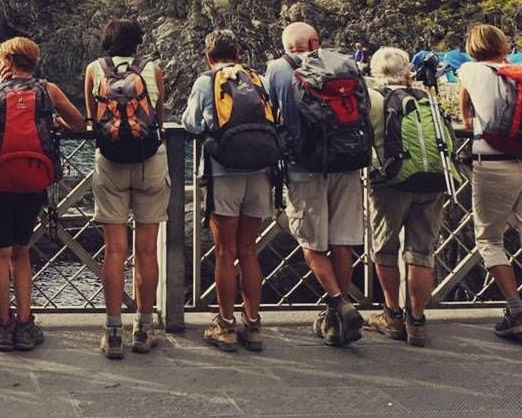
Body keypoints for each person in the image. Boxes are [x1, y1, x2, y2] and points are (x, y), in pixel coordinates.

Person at [0, 37, 86, 352]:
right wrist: (56, 122)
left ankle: (4, 327)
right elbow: (78, 123)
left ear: (8, 62)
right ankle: (25, 324)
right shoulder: (49, 91)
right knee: (21, 253)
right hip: (33, 179)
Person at [264, 22, 365, 346]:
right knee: (342, 241)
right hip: (347, 162)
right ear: (316, 42)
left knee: (311, 243)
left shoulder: (277, 70)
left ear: (287, 47)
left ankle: (338, 302)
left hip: (304, 166)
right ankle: (336, 320)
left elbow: (270, 114)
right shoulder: (344, 64)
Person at [458, 24, 522, 346]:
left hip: (494, 166)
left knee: (489, 238)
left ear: (472, 48)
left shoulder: (469, 69)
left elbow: (466, 105)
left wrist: (467, 120)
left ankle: (516, 313)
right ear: (503, 45)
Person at [181, 29, 272, 353]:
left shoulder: (206, 81)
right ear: (239, 54)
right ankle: (254, 324)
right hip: (261, 171)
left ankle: (225, 324)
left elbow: (191, 123)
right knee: (249, 250)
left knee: (225, 252)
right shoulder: (257, 79)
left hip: (224, 173)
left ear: (208, 57)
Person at [84, 19, 168, 359]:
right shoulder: (153, 70)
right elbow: (159, 120)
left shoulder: (94, 69)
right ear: (138, 46)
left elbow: (92, 120)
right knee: (146, 250)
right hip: (150, 162)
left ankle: (113, 330)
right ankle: (144, 328)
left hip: (110, 164)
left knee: (114, 250)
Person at [364, 47, 447, 347]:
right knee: (421, 251)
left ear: (374, 73)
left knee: (385, 249)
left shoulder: (374, 99)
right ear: (407, 72)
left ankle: (392, 314)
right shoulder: (428, 98)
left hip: (391, 183)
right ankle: (417, 321)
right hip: (432, 180)